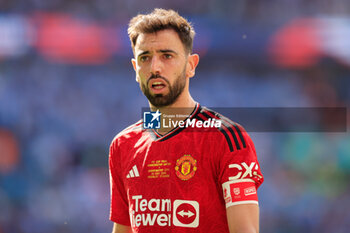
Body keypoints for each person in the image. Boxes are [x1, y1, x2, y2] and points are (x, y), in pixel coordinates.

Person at [109, 8, 264, 233]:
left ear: (190, 65)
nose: (155, 68)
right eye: (145, 57)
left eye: (167, 56)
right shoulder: (123, 145)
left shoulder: (227, 138)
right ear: (135, 69)